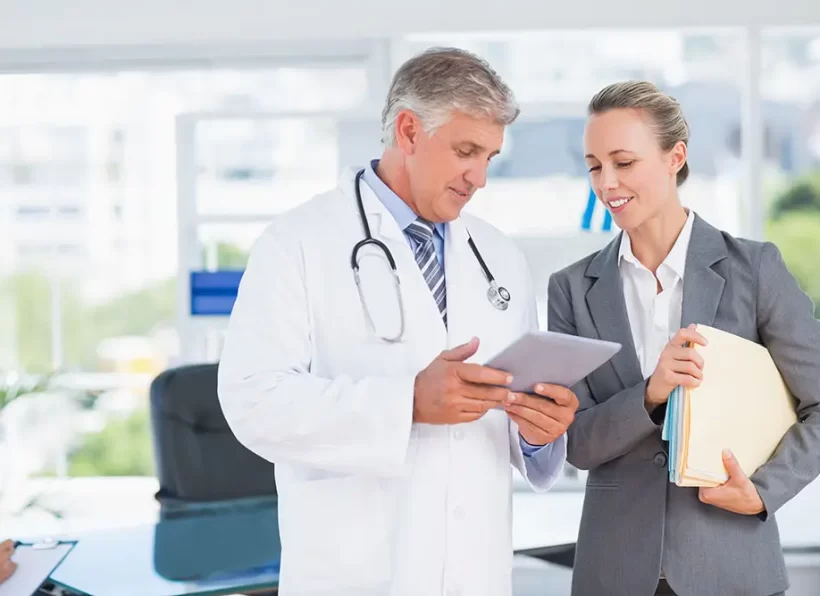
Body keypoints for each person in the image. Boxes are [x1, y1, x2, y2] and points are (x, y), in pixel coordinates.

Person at [218, 47, 578, 596]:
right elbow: (252, 400)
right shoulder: (298, 242)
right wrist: (406, 402)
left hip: (474, 574)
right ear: (409, 131)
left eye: (490, 157)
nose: (479, 176)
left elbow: (506, 413)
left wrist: (536, 431)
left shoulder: (499, 256)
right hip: (359, 573)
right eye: (466, 151)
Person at [547, 79, 820, 596]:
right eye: (594, 165)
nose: (606, 183)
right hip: (614, 572)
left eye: (624, 162)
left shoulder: (754, 270)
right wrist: (650, 394)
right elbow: (574, 442)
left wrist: (762, 492)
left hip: (732, 567)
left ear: (675, 157)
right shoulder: (570, 289)